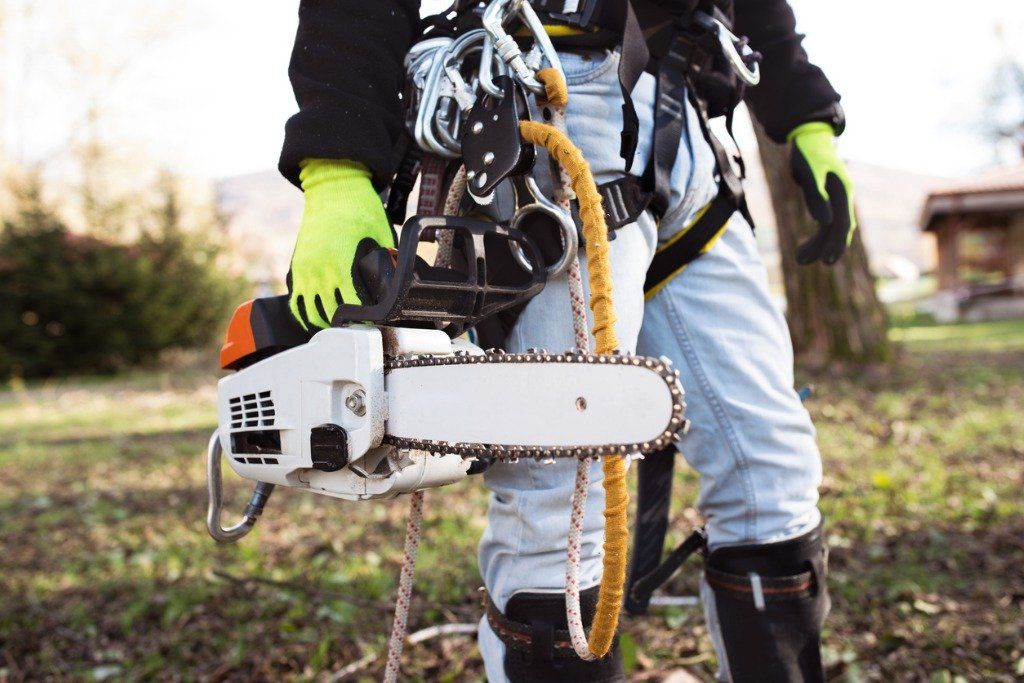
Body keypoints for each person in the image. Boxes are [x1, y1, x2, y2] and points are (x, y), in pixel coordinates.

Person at [278, 1, 856, 680]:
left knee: (774, 476)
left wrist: (807, 116)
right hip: (544, 106)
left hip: (687, 119)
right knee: (559, 513)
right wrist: (337, 169)